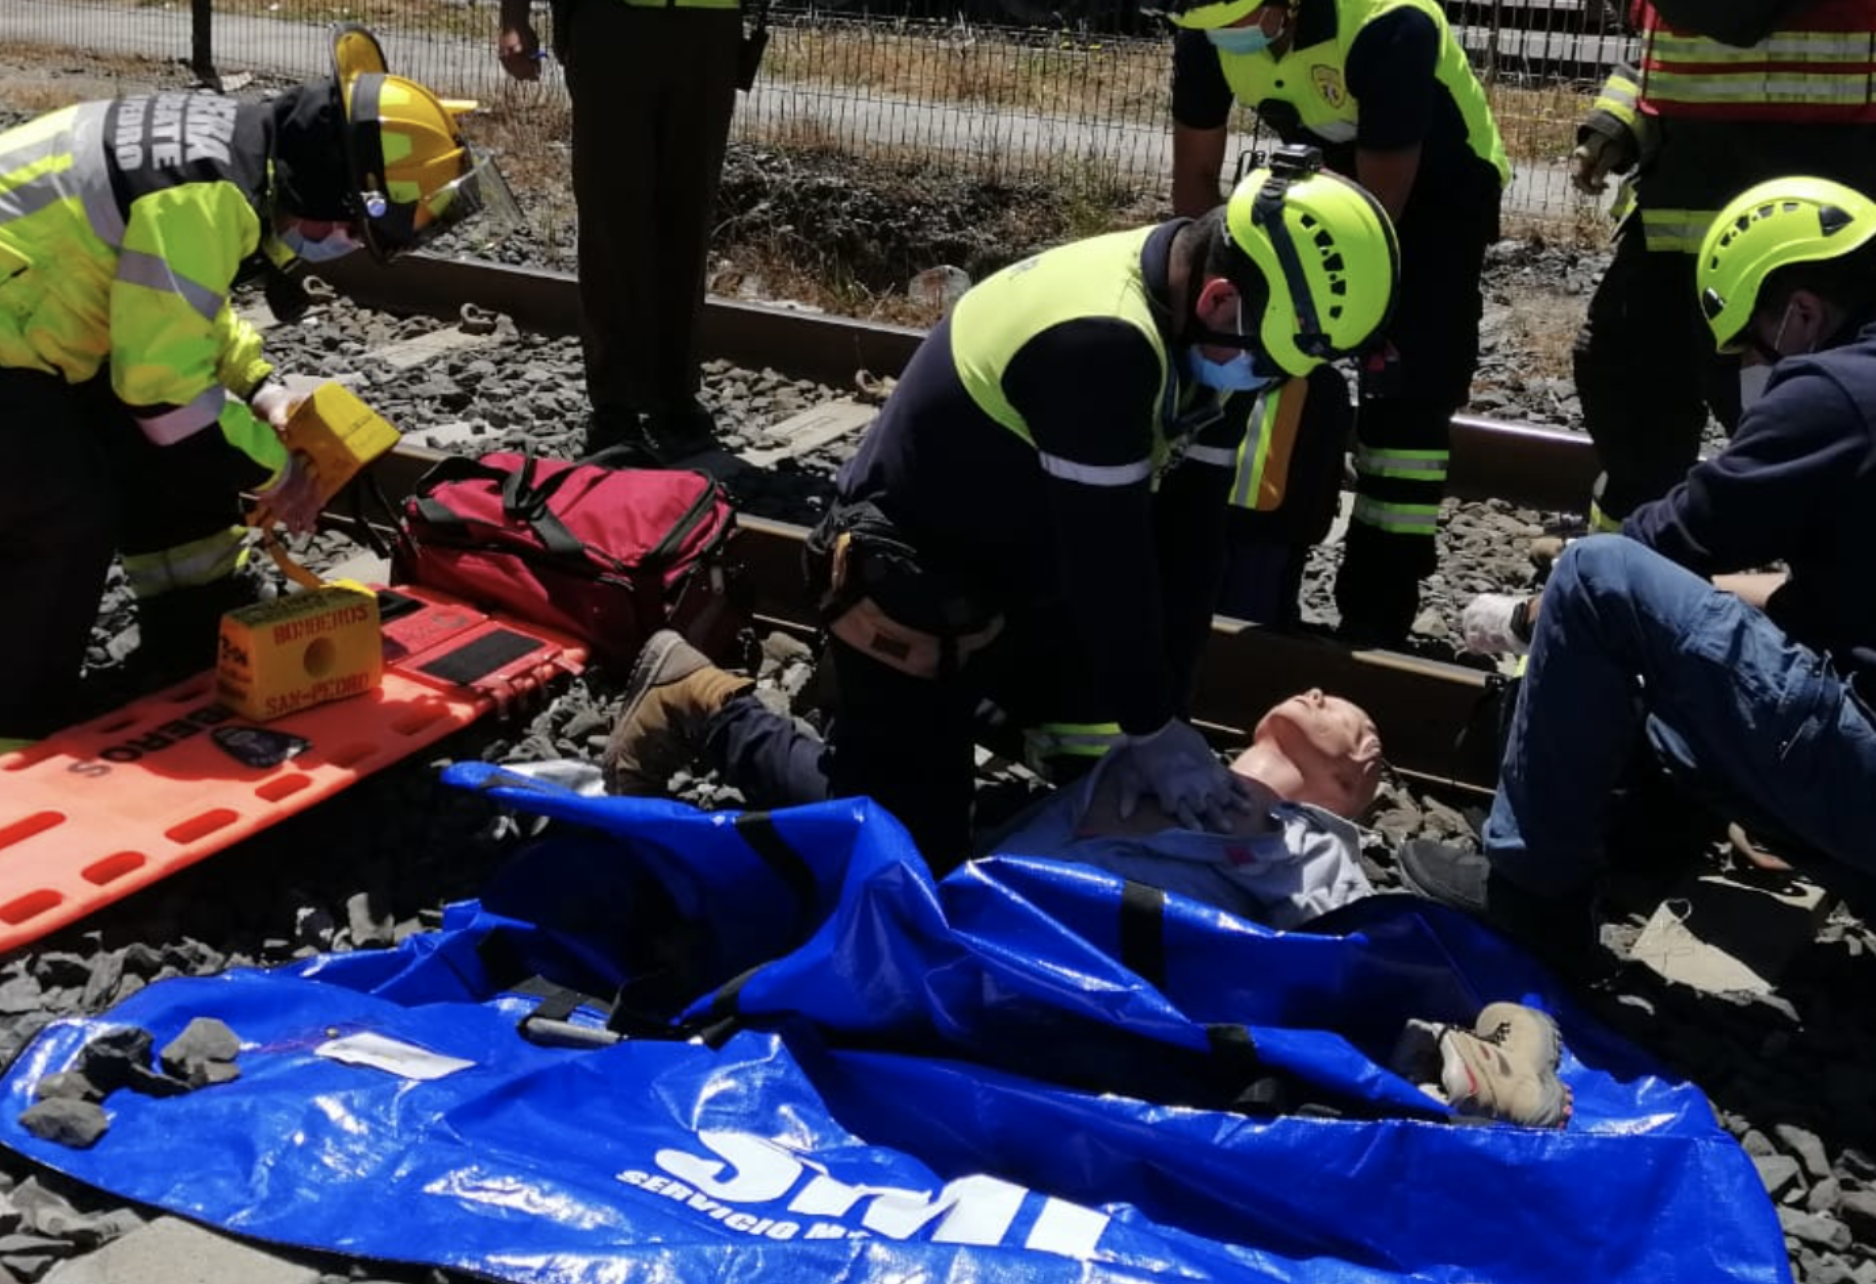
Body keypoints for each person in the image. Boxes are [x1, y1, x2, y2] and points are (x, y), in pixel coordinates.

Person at [602, 149, 1402, 866]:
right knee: (908, 858)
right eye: (1270, 365)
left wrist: (1165, 717)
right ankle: (705, 705)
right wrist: (1150, 729)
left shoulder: (1213, 322)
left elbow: (1191, 534)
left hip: (1018, 556)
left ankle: (937, 726)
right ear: (1223, 296)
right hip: (909, 572)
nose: (1265, 385)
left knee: (1103, 748)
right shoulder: (1106, 342)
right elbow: (1110, 558)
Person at [0, 28, 510, 779]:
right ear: (335, 192)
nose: (350, 244)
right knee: (53, 526)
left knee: (176, 458)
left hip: (27, 307)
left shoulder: (243, 157)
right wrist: (277, 473)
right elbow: (163, 391)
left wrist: (261, 388)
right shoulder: (209, 192)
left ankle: (193, 627)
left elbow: (179, 304)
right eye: (360, 229)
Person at [1399, 177, 1876, 953]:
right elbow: (1818, 595)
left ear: (1803, 313)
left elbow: (1674, 537)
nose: (1751, 370)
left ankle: (1530, 900)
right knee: (1709, 669)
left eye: (1750, 347)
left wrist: (1529, 615)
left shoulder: (1836, 390)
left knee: (1597, 574)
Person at [1169, 0, 1507, 645]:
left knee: (1405, 405)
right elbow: (1194, 181)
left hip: (1434, 195)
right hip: (1317, 170)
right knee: (1247, 350)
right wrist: (1218, 301)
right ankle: (1238, 572)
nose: (1222, 38)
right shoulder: (1203, 25)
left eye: (1237, 23)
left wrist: (1316, 318)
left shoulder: (1388, 25)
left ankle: (1378, 609)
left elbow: (1376, 225)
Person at [1568, 1, 1876, 535]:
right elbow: (1671, 55)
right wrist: (1618, 120)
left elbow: (1735, 16)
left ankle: (1830, 591)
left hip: (1798, 237)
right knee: (1626, 387)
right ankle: (1623, 572)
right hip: (1684, 218)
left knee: (1799, 421)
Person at [496, 0, 754, 461]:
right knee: (612, 217)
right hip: (612, 25)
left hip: (708, 29)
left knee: (688, 216)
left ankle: (674, 394)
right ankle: (614, 400)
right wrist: (514, 17)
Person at [987, 689, 1386, 930]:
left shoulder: (1315, 851)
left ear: (1359, 768)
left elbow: (1337, 954)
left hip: (1096, 981)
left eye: (1337, 711)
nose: (1315, 693)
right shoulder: (1144, 760)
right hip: (982, 917)